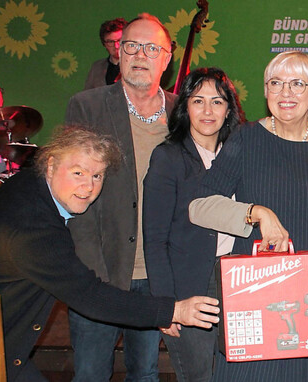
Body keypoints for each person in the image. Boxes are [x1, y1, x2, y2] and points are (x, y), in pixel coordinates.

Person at [0, 126, 220, 382]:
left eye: (97, 176)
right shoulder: (33, 226)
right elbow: (89, 296)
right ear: (50, 166)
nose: (89, 187)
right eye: (78, 172)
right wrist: (175, 310)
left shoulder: (31, 186)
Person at [188, 51, 308, 381]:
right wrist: (256, 213)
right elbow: (199, 205)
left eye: (298, 83)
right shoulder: (245, 138)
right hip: (259, 303)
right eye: (276, 83)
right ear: (266, 91)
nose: (286, 93)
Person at [64, 13, 175, 381]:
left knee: (145, 374)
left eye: (150, 48)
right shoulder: (88, 107)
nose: (139, 54)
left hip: (155, 277)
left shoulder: (183, 113)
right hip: (101, 273)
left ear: (166, 58)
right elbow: (72, 197)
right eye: (130, 45)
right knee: (91, 374)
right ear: (119, 53)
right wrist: (92, 274)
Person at [142, 67, 245, 381]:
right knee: (199, 375)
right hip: (190, 288)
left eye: (217, 101)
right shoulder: (168, 157)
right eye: (198, 101)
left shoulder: (242, 154)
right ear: (185, 106)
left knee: (238, 372)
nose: (208, 110)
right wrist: (166, 305)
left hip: (238, 279)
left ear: (229, 109)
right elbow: (154, 238)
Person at [84, 18, 127, 90]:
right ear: (104, 44)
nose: (116, 46)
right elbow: (87, 96)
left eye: (119, 40)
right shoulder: (97, 68)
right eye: (110, 42)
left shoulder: (137, 65)